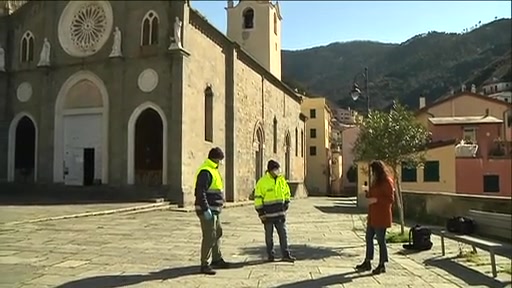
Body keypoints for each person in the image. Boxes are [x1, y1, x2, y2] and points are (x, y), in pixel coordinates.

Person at [194, 147, 231, 275]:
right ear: (216, 159)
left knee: (217, 233)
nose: (222, 163)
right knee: (209, 236)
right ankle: (205, 264)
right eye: (221, 160)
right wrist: (205, 209)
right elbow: (200, 192)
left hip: (215, 210)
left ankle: (217, 259)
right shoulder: (206, 171)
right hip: (207, 210)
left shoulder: (213, 170)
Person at [355, 160, 395, 274]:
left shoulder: (387, 181)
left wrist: (376, 200)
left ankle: (382, 264)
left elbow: (390, 199)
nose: (372, 173)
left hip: (382, 216)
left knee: (381, 240)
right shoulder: (376, 181)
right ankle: (367, 261)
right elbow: (372, 195)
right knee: (368, 238)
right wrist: (367, 192)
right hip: (373, 215)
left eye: (373, 171)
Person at [254, 160, 295, 262]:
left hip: (280, 214)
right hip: (268, 215)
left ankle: (286, 254)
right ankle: (270, 255)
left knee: (283, 234)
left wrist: (286, 204)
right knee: (269, 237)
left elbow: (287, 193)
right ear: (270, 170)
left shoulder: (281, 180)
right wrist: (261, 213)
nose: (277, 171)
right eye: (275, 169)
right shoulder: (262, 182)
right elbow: (258, 198)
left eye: (278, 169)